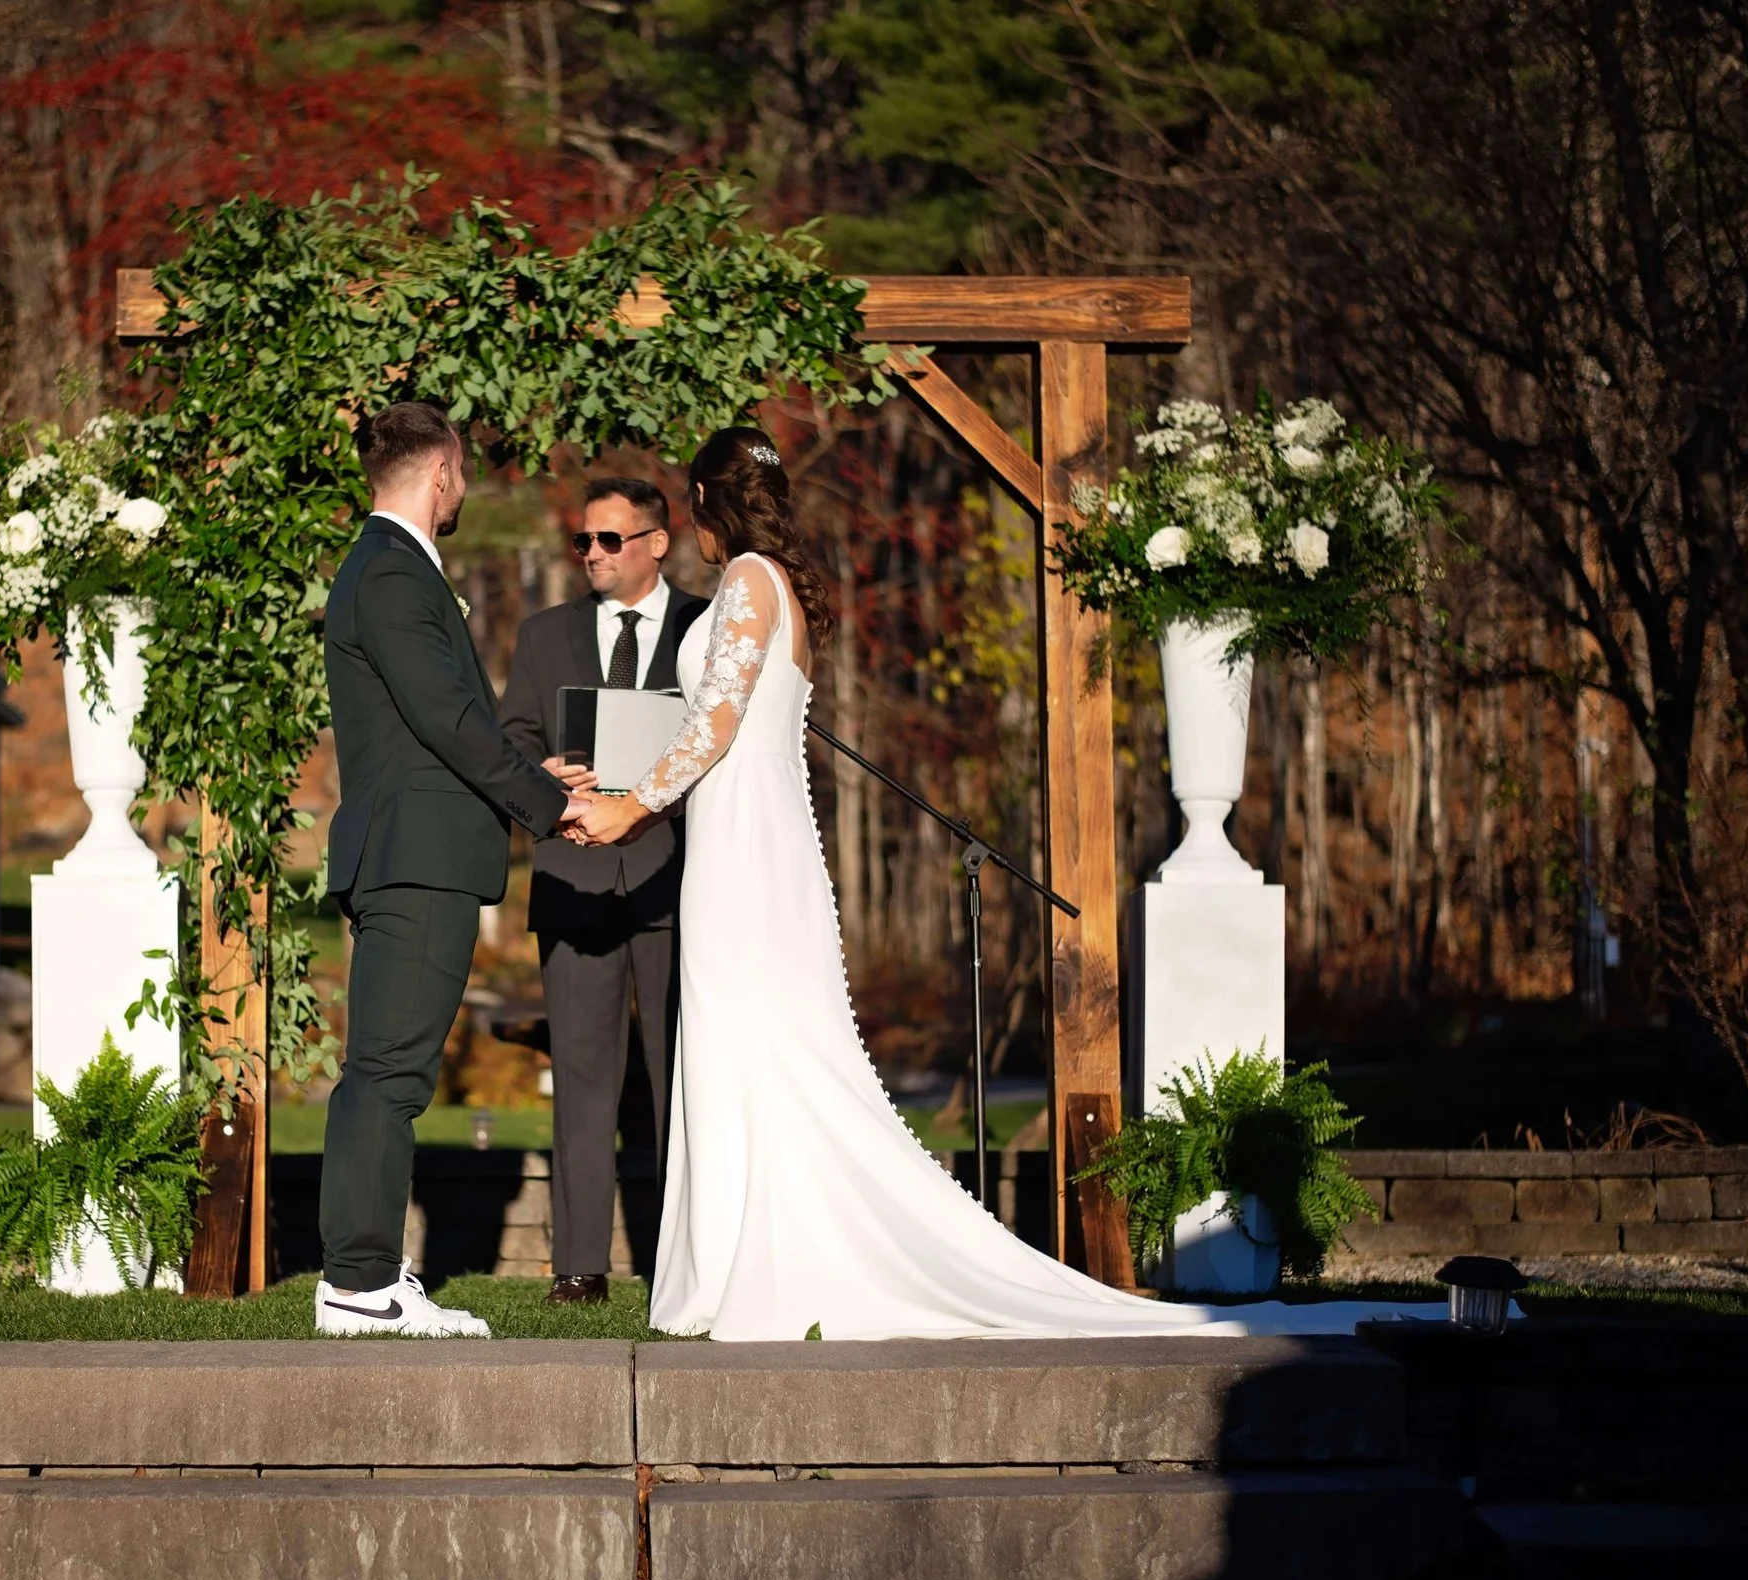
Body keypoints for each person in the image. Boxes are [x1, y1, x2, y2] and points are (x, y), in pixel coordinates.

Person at [571, 427, 1446, 1342]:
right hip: (744, 840)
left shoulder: (750, 581)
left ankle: (754, 1266)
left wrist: (629, 809)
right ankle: (736, 1259)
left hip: (747, 857)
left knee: (757, 1042)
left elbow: (715, 721)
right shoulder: (775, 584)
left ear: (708, 506)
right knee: (749, 1044)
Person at [316, 402, 588, 1337]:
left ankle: (363, 1277)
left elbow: (432, 727)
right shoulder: (391, 573)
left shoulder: (387, 568)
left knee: (388, 1069)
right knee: (388, 1072)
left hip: (416, 848)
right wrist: (550, 805)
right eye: (462, 473)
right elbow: (450, 720)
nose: (464, 489)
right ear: (440, 474)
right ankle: (360, 1283)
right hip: (415, 857)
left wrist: (528, 777)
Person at [498, 479, 709, 1304]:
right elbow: (511, 740)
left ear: (659, 542)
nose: (591, 553)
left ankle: (680, 1261)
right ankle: (579, 1267)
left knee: (676, 1074)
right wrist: (542, 778)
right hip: (574, 875)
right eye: (584, 541)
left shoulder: (705, 628)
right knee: (582, 1075)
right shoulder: (544, 634)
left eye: (610, 540)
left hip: (674, 877)